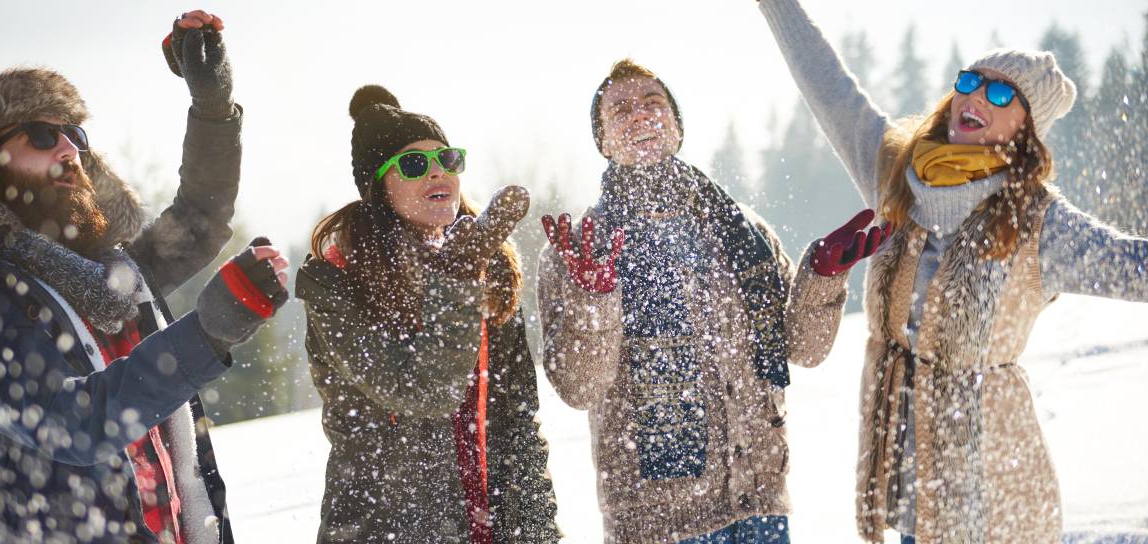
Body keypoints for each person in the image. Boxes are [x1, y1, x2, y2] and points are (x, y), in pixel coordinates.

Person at [0, 10, 287, 543]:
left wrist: (212, 103)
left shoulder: (113, 273)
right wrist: (206, 334)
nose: (69, 149)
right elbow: (70, 423)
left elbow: (200, 219)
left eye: (74, 133)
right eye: (42, 135)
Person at [757, 0, 1148, 541]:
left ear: (1026, 129)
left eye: (1002, 93)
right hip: (907, 487)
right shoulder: (897, 172)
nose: (977, 96)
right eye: (970, 81)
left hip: (994, 494)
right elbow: (828, 86)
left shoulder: (1039, 221)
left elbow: (1135, 266)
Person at [536, 59, 889, 543]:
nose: (639, 115)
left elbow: (804, 350)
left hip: (759, 505)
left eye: (653, 103)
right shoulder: (581, 247)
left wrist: (822, 278)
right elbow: (580, 388)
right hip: (657, 524)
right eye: (620, 110)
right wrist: (594, 299)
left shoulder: (742, 230)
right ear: (603, 142)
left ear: (677, 127)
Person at [293, 85, 560, 543]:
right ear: (379, 187)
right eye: (415, 164)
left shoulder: (488, 264)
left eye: (447, 159)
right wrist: (458, 277)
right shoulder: (335, 283)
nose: (438, 171)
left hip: (493, 527)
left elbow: (519, 426)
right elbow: (424, 392)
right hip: (386, 530)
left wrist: (538, 533)